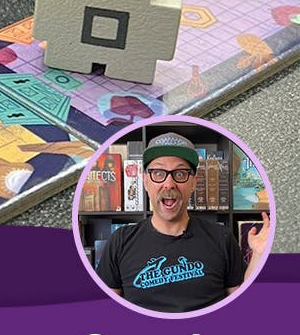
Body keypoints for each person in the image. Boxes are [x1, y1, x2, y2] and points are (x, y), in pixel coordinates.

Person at [95, 132, 270, 313]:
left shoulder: (221, 237)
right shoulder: (120, 241)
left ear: (194, 182)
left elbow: (243, 304)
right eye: (158, 173)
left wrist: (259, 255)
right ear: (145, 181)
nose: (169, 184)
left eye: (179, 173)